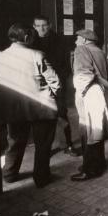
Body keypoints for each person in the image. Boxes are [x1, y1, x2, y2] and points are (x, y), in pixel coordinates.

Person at [0, 23, 60, 188]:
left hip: (13, 107)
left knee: (15, 141)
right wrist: (51, 95)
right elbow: (56, 82)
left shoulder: (0, 56)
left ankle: (9, 174)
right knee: (42, 143)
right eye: (32, 35)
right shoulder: (37, 55)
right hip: (40, 107)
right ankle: (41, 177)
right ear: (25, 37)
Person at [71, 29, 108, 181]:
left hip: (90, 94)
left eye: (77, 38)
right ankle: (99, 164)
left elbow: (84, 75)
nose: (76, 41)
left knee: (88, 130)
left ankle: (89, 169)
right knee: (97, 129)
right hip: (102, 94)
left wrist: (81, 92)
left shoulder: (81, 49)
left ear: (84, 40)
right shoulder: (99, 51)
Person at [32, 15, 79, 157]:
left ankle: (67, 144)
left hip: (57, 83)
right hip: (38, 85)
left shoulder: (60, 40)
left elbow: (66, 64)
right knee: (41, 118)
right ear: (34, 27)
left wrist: (59, 82)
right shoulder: (31, 41)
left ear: (50, 25)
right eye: (38, 26)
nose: (41, 29)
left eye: (44, 25)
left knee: (61, 114)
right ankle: (44, 148)